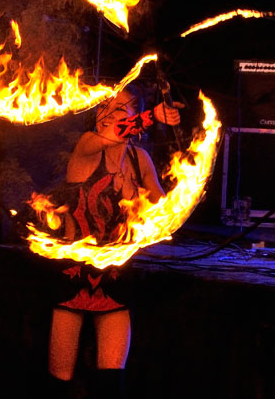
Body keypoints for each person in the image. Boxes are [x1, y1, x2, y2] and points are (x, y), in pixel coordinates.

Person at [45, 84, 181, 398]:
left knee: (111, 382)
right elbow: (113, 134)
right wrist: (154, 116)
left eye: (120, 108)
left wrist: (191, 180)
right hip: (74, 275)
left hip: (116, 276)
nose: (108, 112)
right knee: (60, 383)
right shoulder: (88, 145)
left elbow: (165, 212)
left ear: (135, 114)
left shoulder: (139, 159)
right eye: (104, 106)